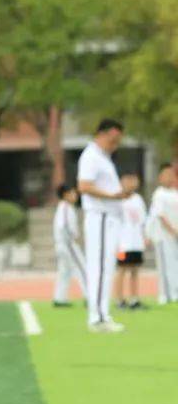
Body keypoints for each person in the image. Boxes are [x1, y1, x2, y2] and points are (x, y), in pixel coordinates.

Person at [77, 119, 134, 333]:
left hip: (109, 217)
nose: (115, 145)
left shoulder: (104, 158)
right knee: (100, 268)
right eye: (113, 140)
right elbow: (84, 186)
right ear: (102, 134)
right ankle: (98, 317)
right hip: (100, 216)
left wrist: (121, 193)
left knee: (105, 267)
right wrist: (112, 196)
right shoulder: (91, 155)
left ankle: (101, 314)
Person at [116, 173, 148, 310]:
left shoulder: (138, 199)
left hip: (136, 242)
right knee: (122, 270)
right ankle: (120, 300)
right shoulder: (117, 199)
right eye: (128, 180)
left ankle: (134, 299)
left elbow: (143, 220)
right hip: (122, 244)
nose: (131, 183)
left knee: (135, 269)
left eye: (133, 180)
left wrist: (145, 236)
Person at [52, 184, 87, 308]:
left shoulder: (64, 207)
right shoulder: (66, 208)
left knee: (64, 272)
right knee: (82, 269)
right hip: (67, 244)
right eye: (73, 193)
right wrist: (72, 236)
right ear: (66, 195)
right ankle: (90, 296)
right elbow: (64, 225)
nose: (75, 195)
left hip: (61, 244)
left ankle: (60, 298)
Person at [148, 165, 178, 305]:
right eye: (166, 174)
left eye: (171, 174)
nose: (169, 177)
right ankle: (165, 295)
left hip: (175, 237)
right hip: (163, 237)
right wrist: (173, 230)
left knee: (174, 265)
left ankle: (175, 292)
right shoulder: (159, 194)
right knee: (165, 265)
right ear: (160, 177)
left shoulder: (175, 193)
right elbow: (160, 215)